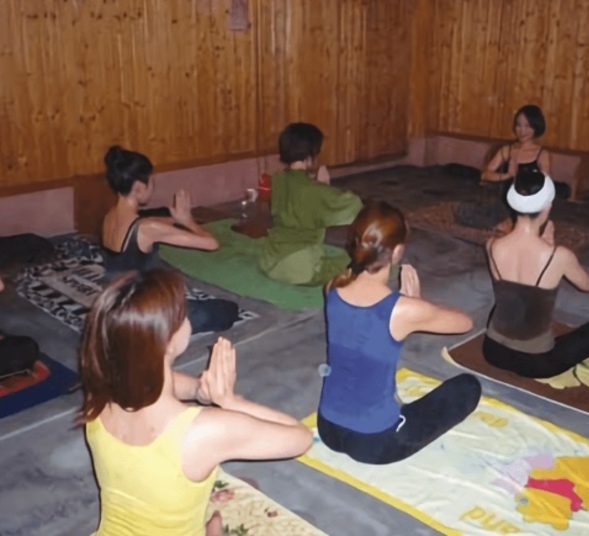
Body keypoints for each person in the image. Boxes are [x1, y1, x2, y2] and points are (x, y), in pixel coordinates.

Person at [79, 268, 312, 536]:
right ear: (168, 342)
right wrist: (230, 401)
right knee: (238, 501)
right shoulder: (201, 431)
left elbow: (154, 381)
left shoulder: (100, 390)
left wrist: (201, 390)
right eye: (183, 313)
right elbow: (301, 438)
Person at [317, 201, 482, 464]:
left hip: (328, 428)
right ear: (396, 253)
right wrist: (419, 303)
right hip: (375, 442)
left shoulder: (333, 287)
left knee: (365, 360)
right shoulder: (402, 309)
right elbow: (465, 322)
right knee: (468, 387)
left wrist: (414, 307)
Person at [482, 168, 589, 378]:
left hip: (492, 352)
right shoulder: (559, 255)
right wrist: (551, 247)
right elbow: (587, 285)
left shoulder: (492, 244)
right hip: (537, 362)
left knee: (511, 297)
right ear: (547, 207)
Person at [101, 145, 239, 334]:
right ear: (139, 187)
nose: (153, 187)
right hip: (144, 313)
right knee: (228, 310)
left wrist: (176, 220)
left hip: (116, 307)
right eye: (151, 182)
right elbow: (211, 244)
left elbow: (147, 224)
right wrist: (188, 221)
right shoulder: (146, 228)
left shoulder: (109, 217)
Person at [259, 123, 363, 286]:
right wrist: (324, 186)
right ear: (310, 155)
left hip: (270, 261)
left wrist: (319, 187)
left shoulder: (277, 179)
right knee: (355, 260)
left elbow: (299, 197)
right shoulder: (314, 190)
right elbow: (353, 206)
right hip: (301, 269)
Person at [478, 105, 555, 234]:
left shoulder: (542, 154)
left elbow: (545, 188)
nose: (522, 131)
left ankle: (516, 224)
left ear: (536, 127)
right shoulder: (507, 150)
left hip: (529, 204)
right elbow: (485, 175)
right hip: (505, 201)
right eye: (519, 125)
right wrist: (508, 175)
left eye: (527, 126)